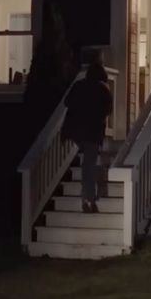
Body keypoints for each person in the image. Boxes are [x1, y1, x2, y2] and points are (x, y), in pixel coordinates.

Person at [63, 54, 113, 213]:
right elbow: (108, 110)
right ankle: (88, 199)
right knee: (89, 165)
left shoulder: (79, 85)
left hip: (77, 132)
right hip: (92, 132)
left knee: (88, 164)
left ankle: (88, 198)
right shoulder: (102, 89)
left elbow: (67, 102)